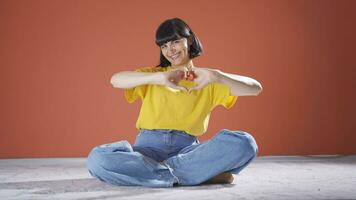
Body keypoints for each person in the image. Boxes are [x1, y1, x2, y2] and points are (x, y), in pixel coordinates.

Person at [86, 18, 263, 188]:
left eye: (175, 42)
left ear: (190, 40)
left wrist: (217, 75)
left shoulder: (207, 80)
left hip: (188, 153)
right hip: (147, 151)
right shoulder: (152, 76)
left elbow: (255, 88)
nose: (170, 50)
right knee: (97, 159)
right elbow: (115, 80)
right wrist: (159, 77)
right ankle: (193, 174)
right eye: (164, 45)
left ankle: (159, 172)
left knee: (245, 143)